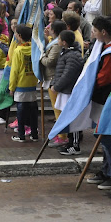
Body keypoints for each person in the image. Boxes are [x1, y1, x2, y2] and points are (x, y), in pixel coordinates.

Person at [86, 16, 111, 190]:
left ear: (103, 32)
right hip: (103, 100)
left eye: (94, 31)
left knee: (107, 138)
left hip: (107, 100)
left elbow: (104, 78)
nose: (92, 34)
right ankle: (106, 170)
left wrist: (87, 87)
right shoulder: (104, 47)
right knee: (102, 137)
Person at [52, 30, 85, 155]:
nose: (58, 41)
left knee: (73, 119)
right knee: (68, 117)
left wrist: (58, 86)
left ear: (64, 42)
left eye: (59, 39)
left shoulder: (72, 56)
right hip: (65, 90)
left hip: (70, 91)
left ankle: (75, 145)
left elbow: (68, 74)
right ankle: (70, 142)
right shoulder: (66, 53)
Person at [9, 25, 39, 142]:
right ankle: (34, 133)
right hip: (32, 82)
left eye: (16, 34)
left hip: (21, 84)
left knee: (21, 110)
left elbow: (14, 71)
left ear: (19, 36)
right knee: (33, 109)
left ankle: (21, 134)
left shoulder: (18, 51)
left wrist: (12, 86)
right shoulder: (34, 49)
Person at [41, 20, 67, 148]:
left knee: (57, 108)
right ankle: (60, 133)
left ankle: (62, 136)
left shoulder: (57, 45)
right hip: (51, 77)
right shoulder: (54, 42)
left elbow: (50, 61)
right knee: (55, 106)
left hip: (53, 77)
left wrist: (41, 57)